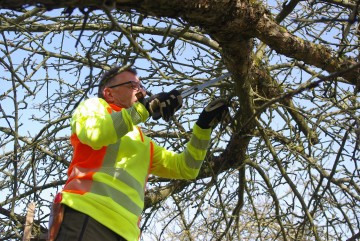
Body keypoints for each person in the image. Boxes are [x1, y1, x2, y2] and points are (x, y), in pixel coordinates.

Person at [48, 66, 229, 241]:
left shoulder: (143, 141)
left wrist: (203, 128)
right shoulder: (94, 107)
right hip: (87, 214)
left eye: (141, 86)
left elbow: (186, 168)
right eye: (132, 86)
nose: (140, 91)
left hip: (128, 232)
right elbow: (96, 134)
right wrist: (143, 109)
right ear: (109, 92)